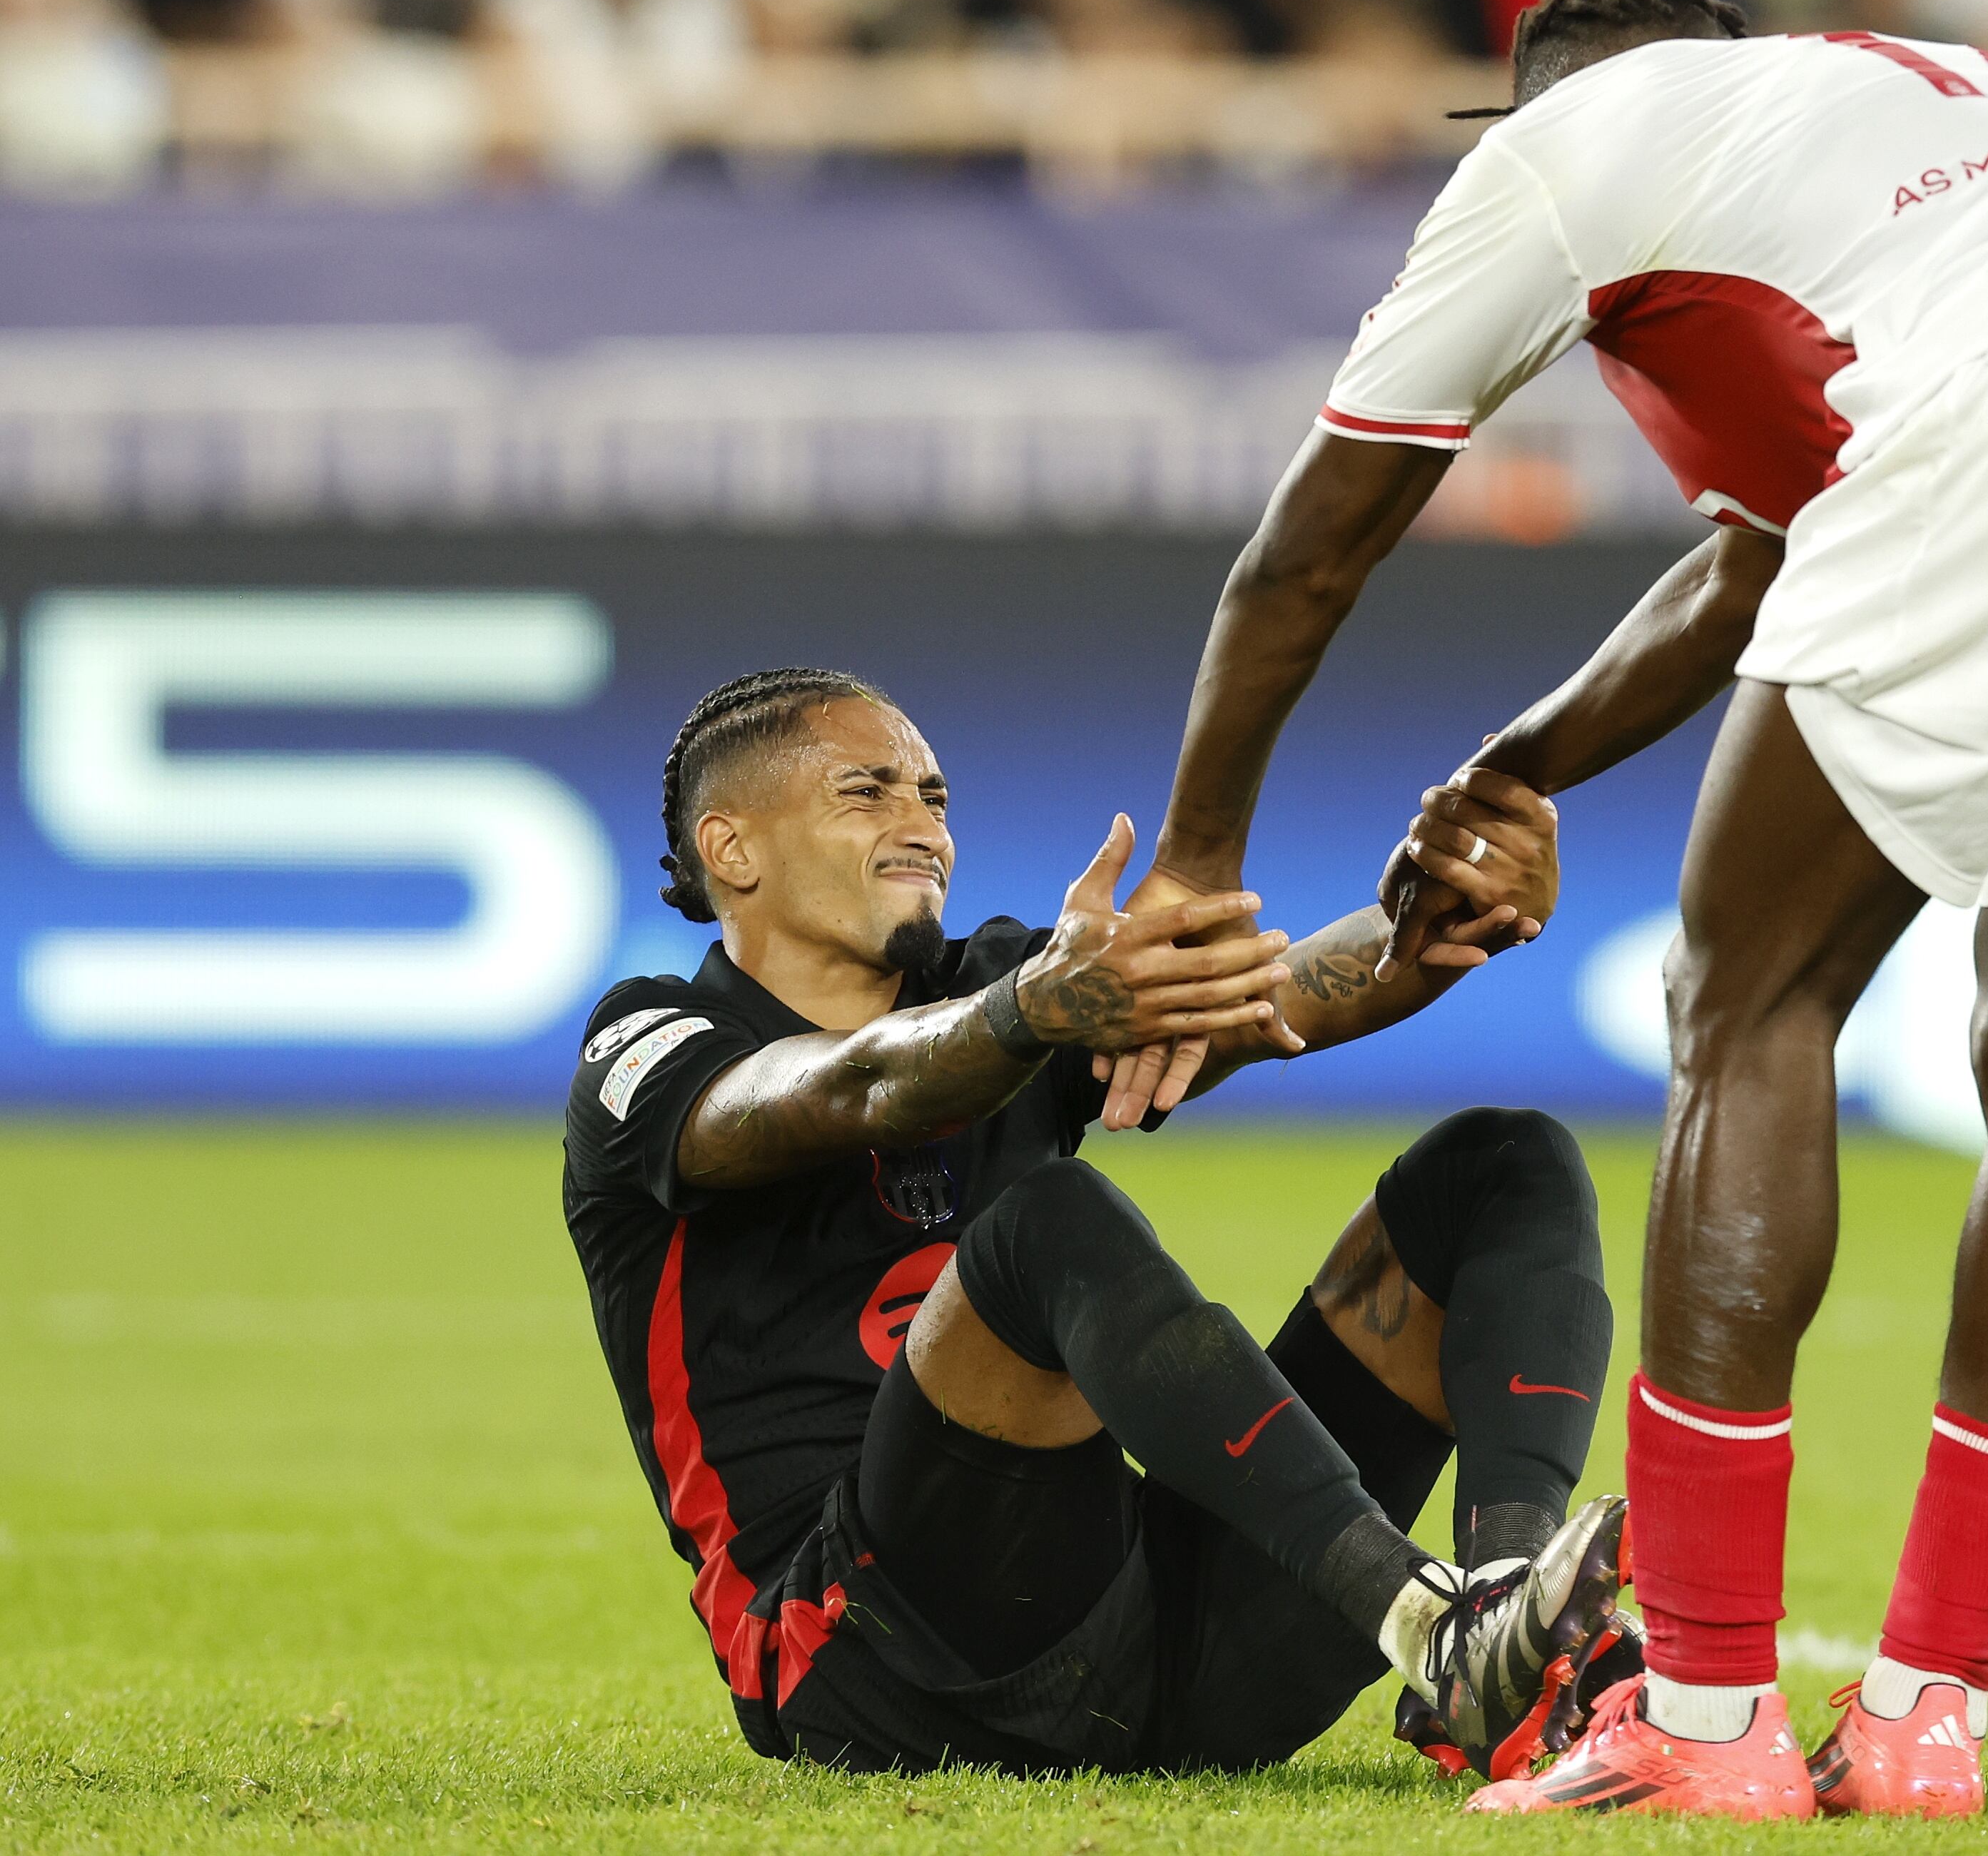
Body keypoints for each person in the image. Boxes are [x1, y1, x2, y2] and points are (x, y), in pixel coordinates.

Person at [1122, 0, 1988, 1817]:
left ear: (1539, 98)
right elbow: (1758, 570)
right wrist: (1519, 766)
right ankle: (1920, 1720)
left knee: (1748, 1006)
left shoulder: (1567, 147)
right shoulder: (1911, 98)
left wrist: (1200, 873)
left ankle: (1699, 1723)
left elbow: (1306, 557)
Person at [562, 666, 1633, 1785]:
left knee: (1504, 1164)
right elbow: (844, 1092)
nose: (922, 824)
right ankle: (1430, 1630)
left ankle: (1514, 1642)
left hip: (1164, 1639)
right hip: (876, 1659)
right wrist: (1023, 1016)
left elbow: (1275, 995)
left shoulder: (998, 986)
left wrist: (1437, 905)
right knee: (1044, 1223)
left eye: (933, 796)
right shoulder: (647, 1047)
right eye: (866, 792)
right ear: (734, 849)